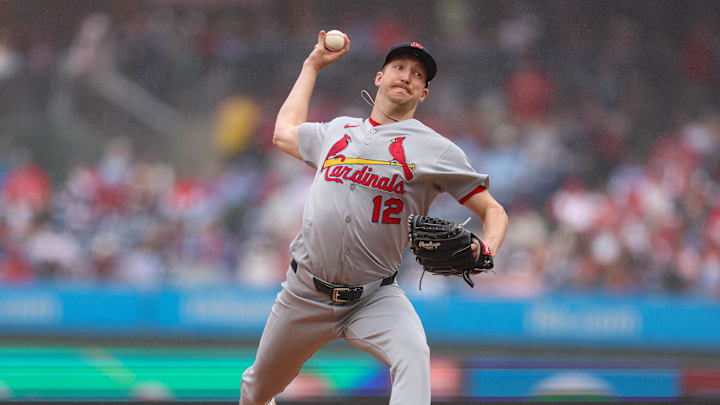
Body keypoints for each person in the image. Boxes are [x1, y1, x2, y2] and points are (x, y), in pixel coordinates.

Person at [240, 30, 508, 405]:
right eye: (399, 67)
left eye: (418, 75)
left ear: (423, 93)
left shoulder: (437, 149)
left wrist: (487, 247)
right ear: (379, 78)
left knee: (413, 355)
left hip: (374, 297)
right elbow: (283, 133)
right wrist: (311, 65)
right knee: (257, 389)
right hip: (304, 294)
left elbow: (493, 210)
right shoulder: (337, 130)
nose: (407, 76)